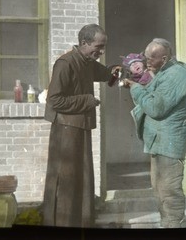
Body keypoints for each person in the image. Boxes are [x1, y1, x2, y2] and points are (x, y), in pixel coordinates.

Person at [43, 24, 121, 227]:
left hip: (80, 128)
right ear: (84, 43)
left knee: (82, 179)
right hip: (65, 131)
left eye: (103, 47)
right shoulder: (66, 63)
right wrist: (87, 100)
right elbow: (54, 101)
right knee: (66, 181)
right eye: (98, 47)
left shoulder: (87, 61)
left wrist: (123, 70)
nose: (101, 52)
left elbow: (107, 75)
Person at [124, 38, 186, 228]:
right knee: (159, 191)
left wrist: (135, 88)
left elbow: (156, 107)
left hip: (169, 143)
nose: (146, 63)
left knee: (169, 193)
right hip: (159, 141)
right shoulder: (164, 72)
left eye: (151, 59)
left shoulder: (176, 75)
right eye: (145, 57)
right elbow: (153, 95)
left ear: (164, 58)